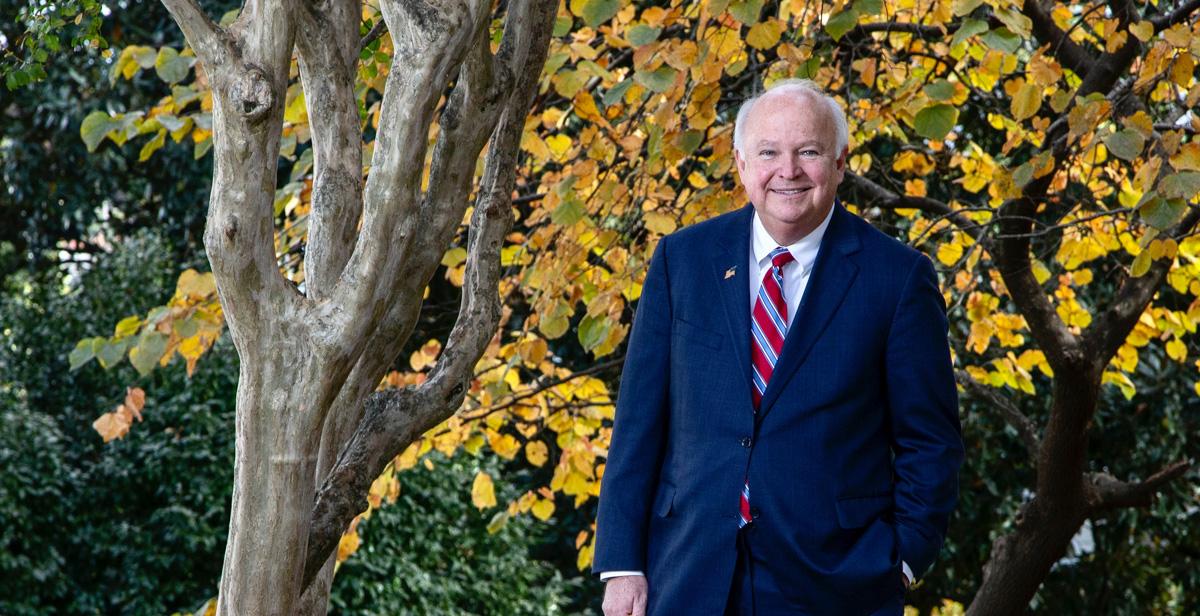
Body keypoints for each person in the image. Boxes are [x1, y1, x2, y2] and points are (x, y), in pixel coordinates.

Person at [592, 79, 964, 615]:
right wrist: (623, 564)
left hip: (836, 583)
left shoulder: (898, 278)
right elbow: (638, 424)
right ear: (742, 164)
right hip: (685, 573)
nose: (787, 171)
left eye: (808, 152)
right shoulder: (683, 261)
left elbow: (931, 441)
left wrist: (901, 559)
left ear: (840, 162)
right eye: (769, 152)